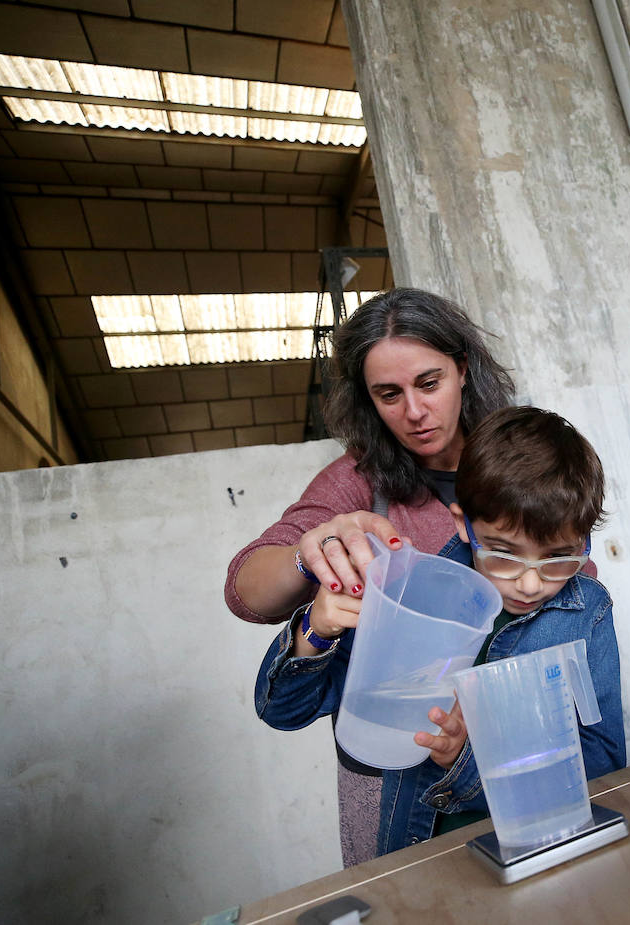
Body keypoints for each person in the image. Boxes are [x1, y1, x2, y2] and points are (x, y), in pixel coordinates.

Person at [254, 406, 625, 858]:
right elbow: (282, 711)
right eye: (504, 555)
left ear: (584, 540)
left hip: (541, 844)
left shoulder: (585, 613)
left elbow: (606, 766)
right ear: (461, 523)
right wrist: (316, 630)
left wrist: (466, 758)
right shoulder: (409, 596)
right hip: (423, 851)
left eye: (558, 558)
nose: (530, 584)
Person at [225, 286, 514, 866]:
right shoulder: (358, 484)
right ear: (368, 400)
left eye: (428, 383)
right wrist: (311, 554)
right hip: (397, 793)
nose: (413, 411)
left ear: (462, 368)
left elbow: (573, 581)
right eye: (389, 394)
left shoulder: (517, 460)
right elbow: (246, 591)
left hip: (512, 758)